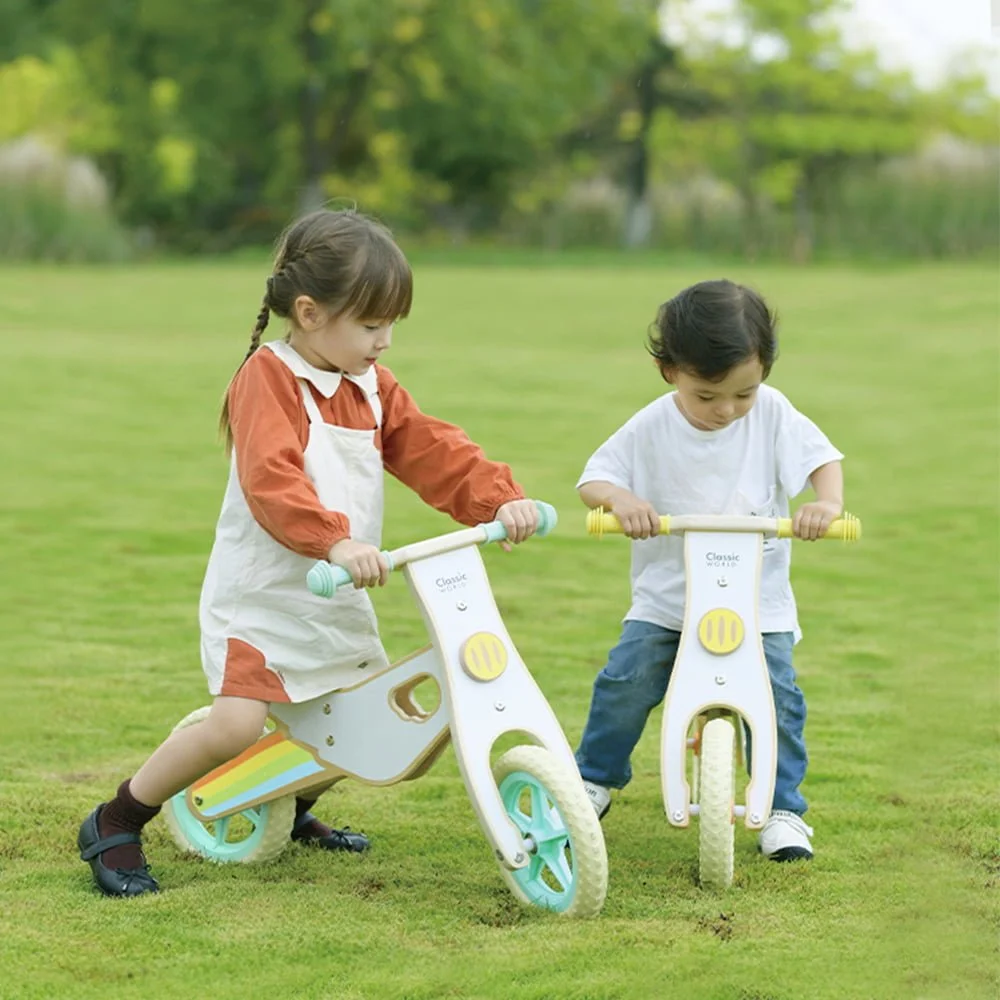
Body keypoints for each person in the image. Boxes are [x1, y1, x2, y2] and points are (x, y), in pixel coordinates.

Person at [78, 208, 540, 897]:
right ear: (310, 313)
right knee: (235, 726)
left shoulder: (372, 387)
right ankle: (118, 819)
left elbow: (430, 447)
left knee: (357, 721)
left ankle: (291, 807)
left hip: (334, 590)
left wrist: (497, 499)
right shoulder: (270, 378)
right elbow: (271, 479)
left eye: (392, 325)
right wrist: (336, 540)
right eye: (372, 324)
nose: (385, 341)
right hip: (264, 595)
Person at [574, 278, 844, 862]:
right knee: (626, 680)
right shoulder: (651, 426)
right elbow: (595, 479)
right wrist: (621, 500)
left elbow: (822, 460)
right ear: (668, 371)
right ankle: (593, 778)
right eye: (707, 396)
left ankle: (783, 810)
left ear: (764, 370)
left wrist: (826, 504)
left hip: (758, 603)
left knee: (779, 699)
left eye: (743, 393)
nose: (726, 410)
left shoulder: (772, 414)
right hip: (669, 600)